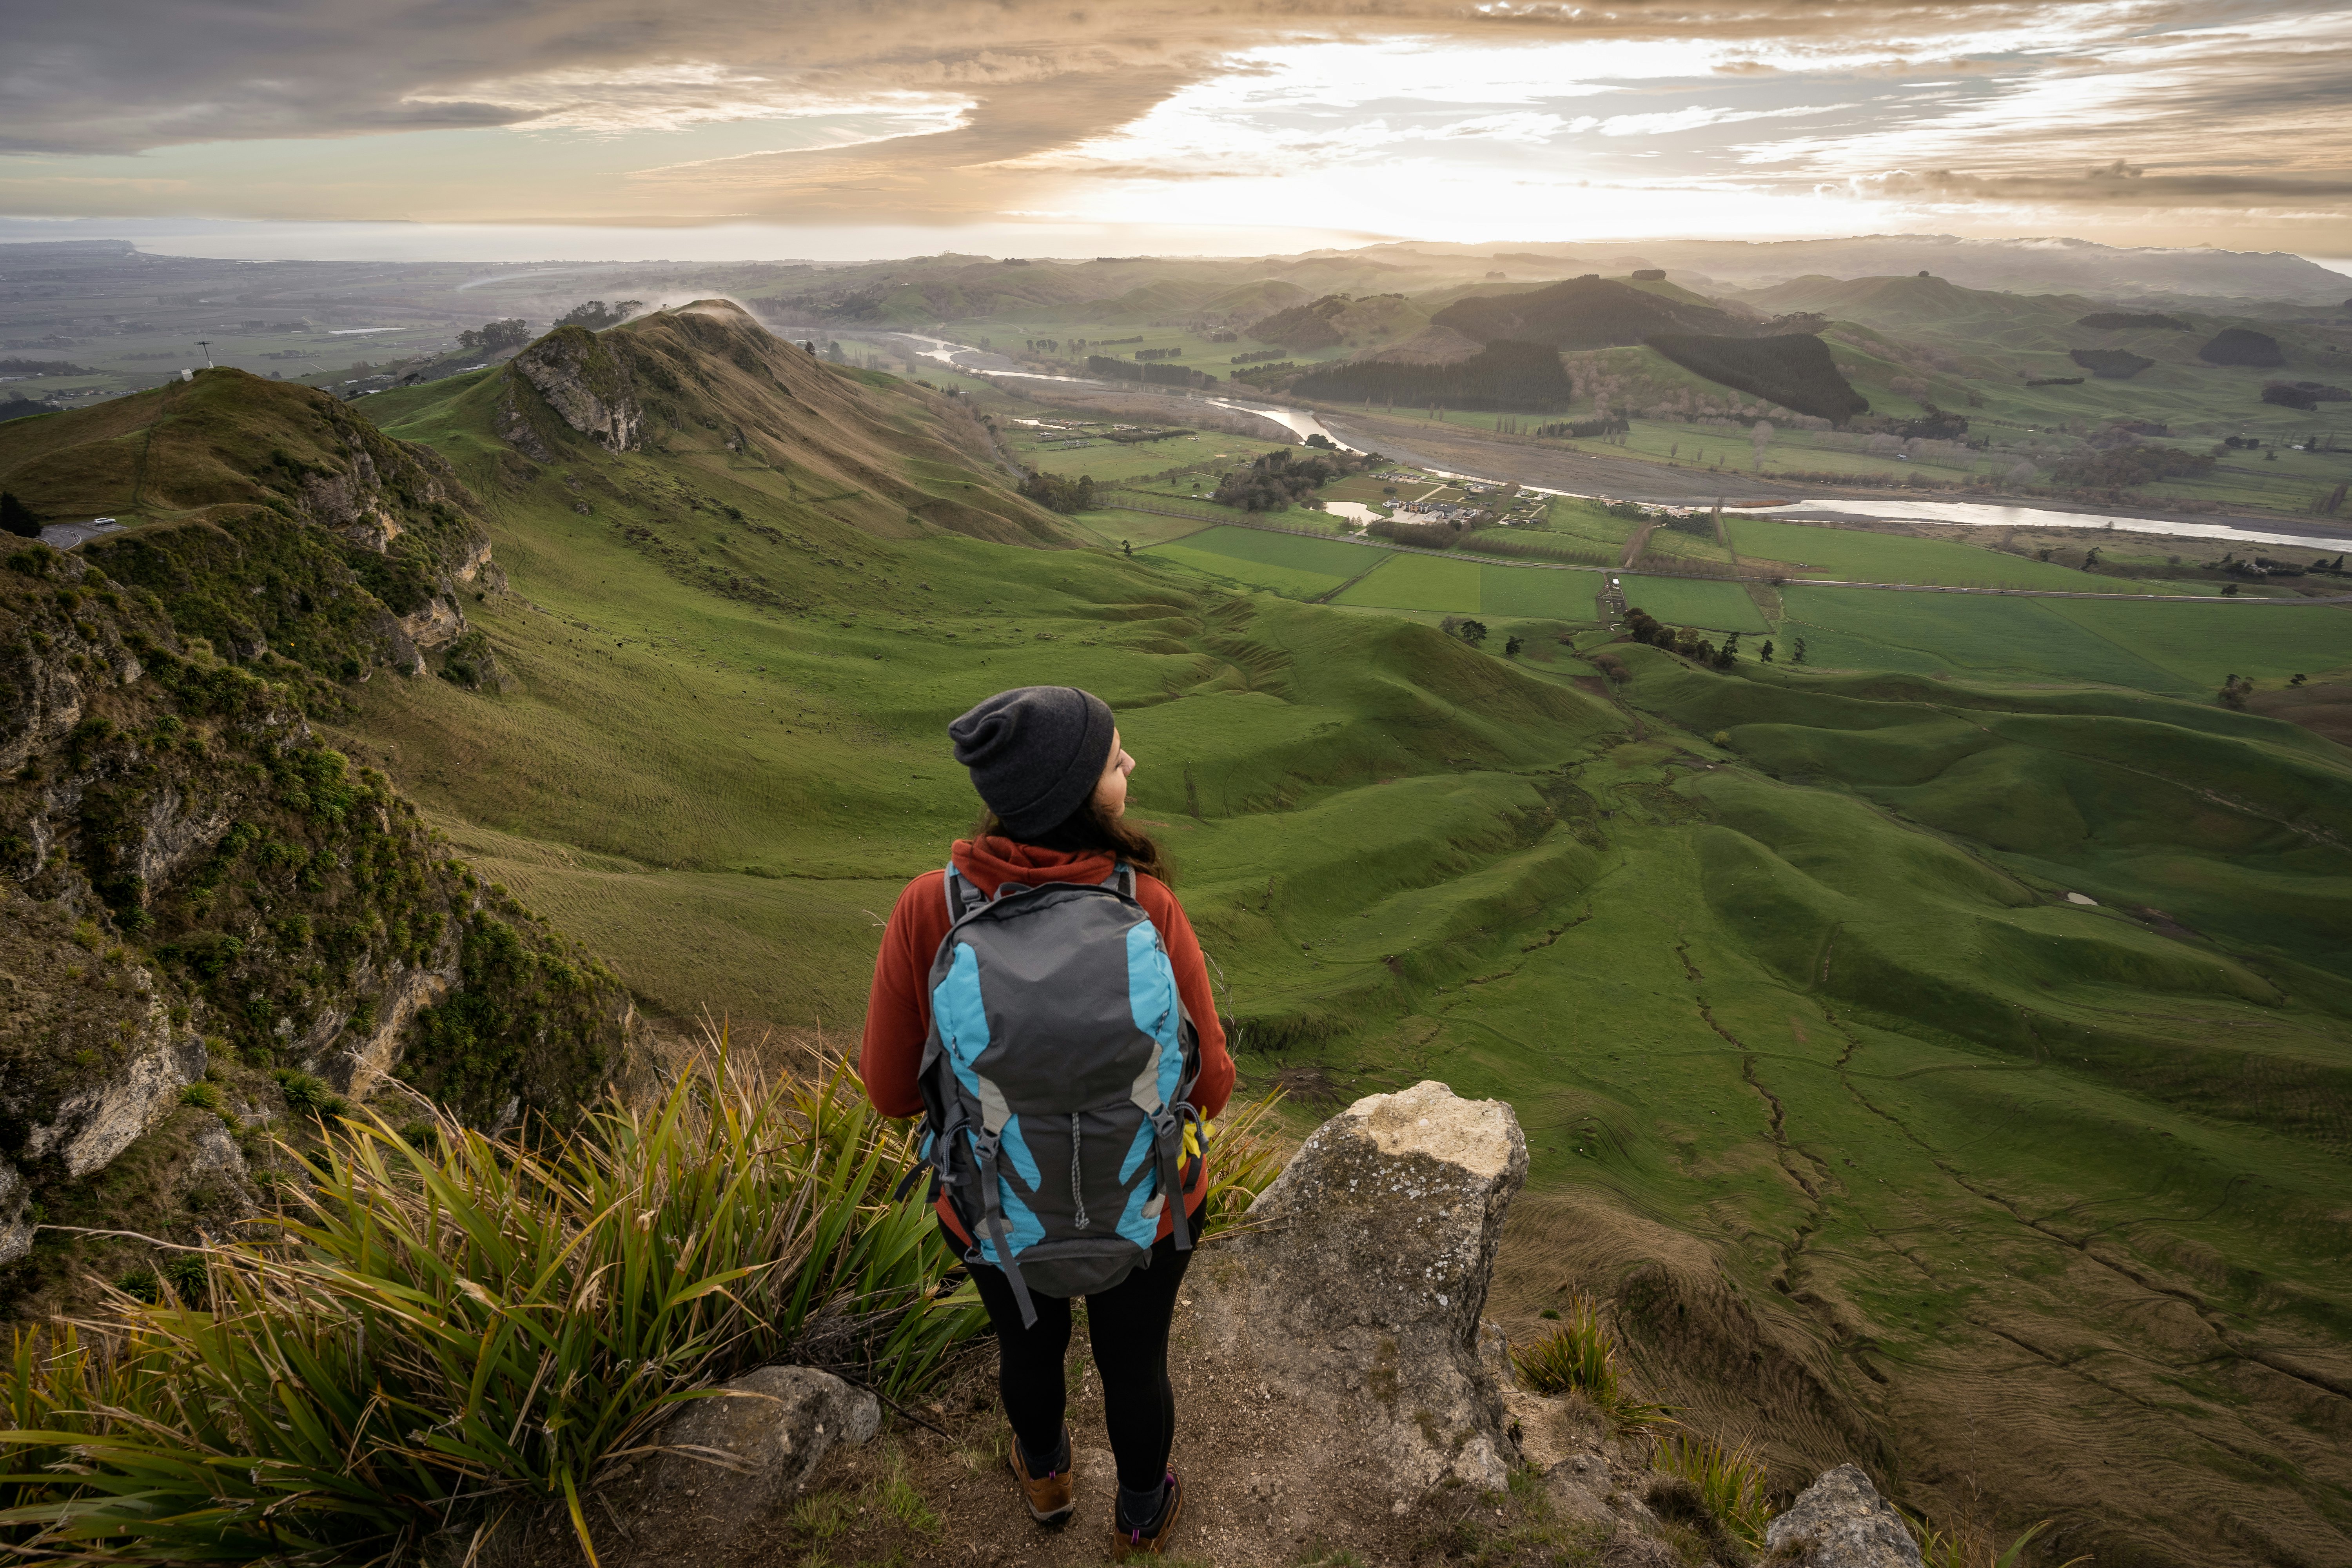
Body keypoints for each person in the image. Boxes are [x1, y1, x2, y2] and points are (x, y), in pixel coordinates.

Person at [860, 686, 1233, 1559]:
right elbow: (1209, 1088)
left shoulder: (931, 906)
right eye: (1113, 758)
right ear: (1075, 791)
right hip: (1148, 1205)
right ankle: (1141, 1513)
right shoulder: (1147, 902)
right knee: (1135, 1365)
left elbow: (889, 1089)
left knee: (1030, 1352)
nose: (1130, 764)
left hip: (994, 1208)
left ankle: (1048, 1477)